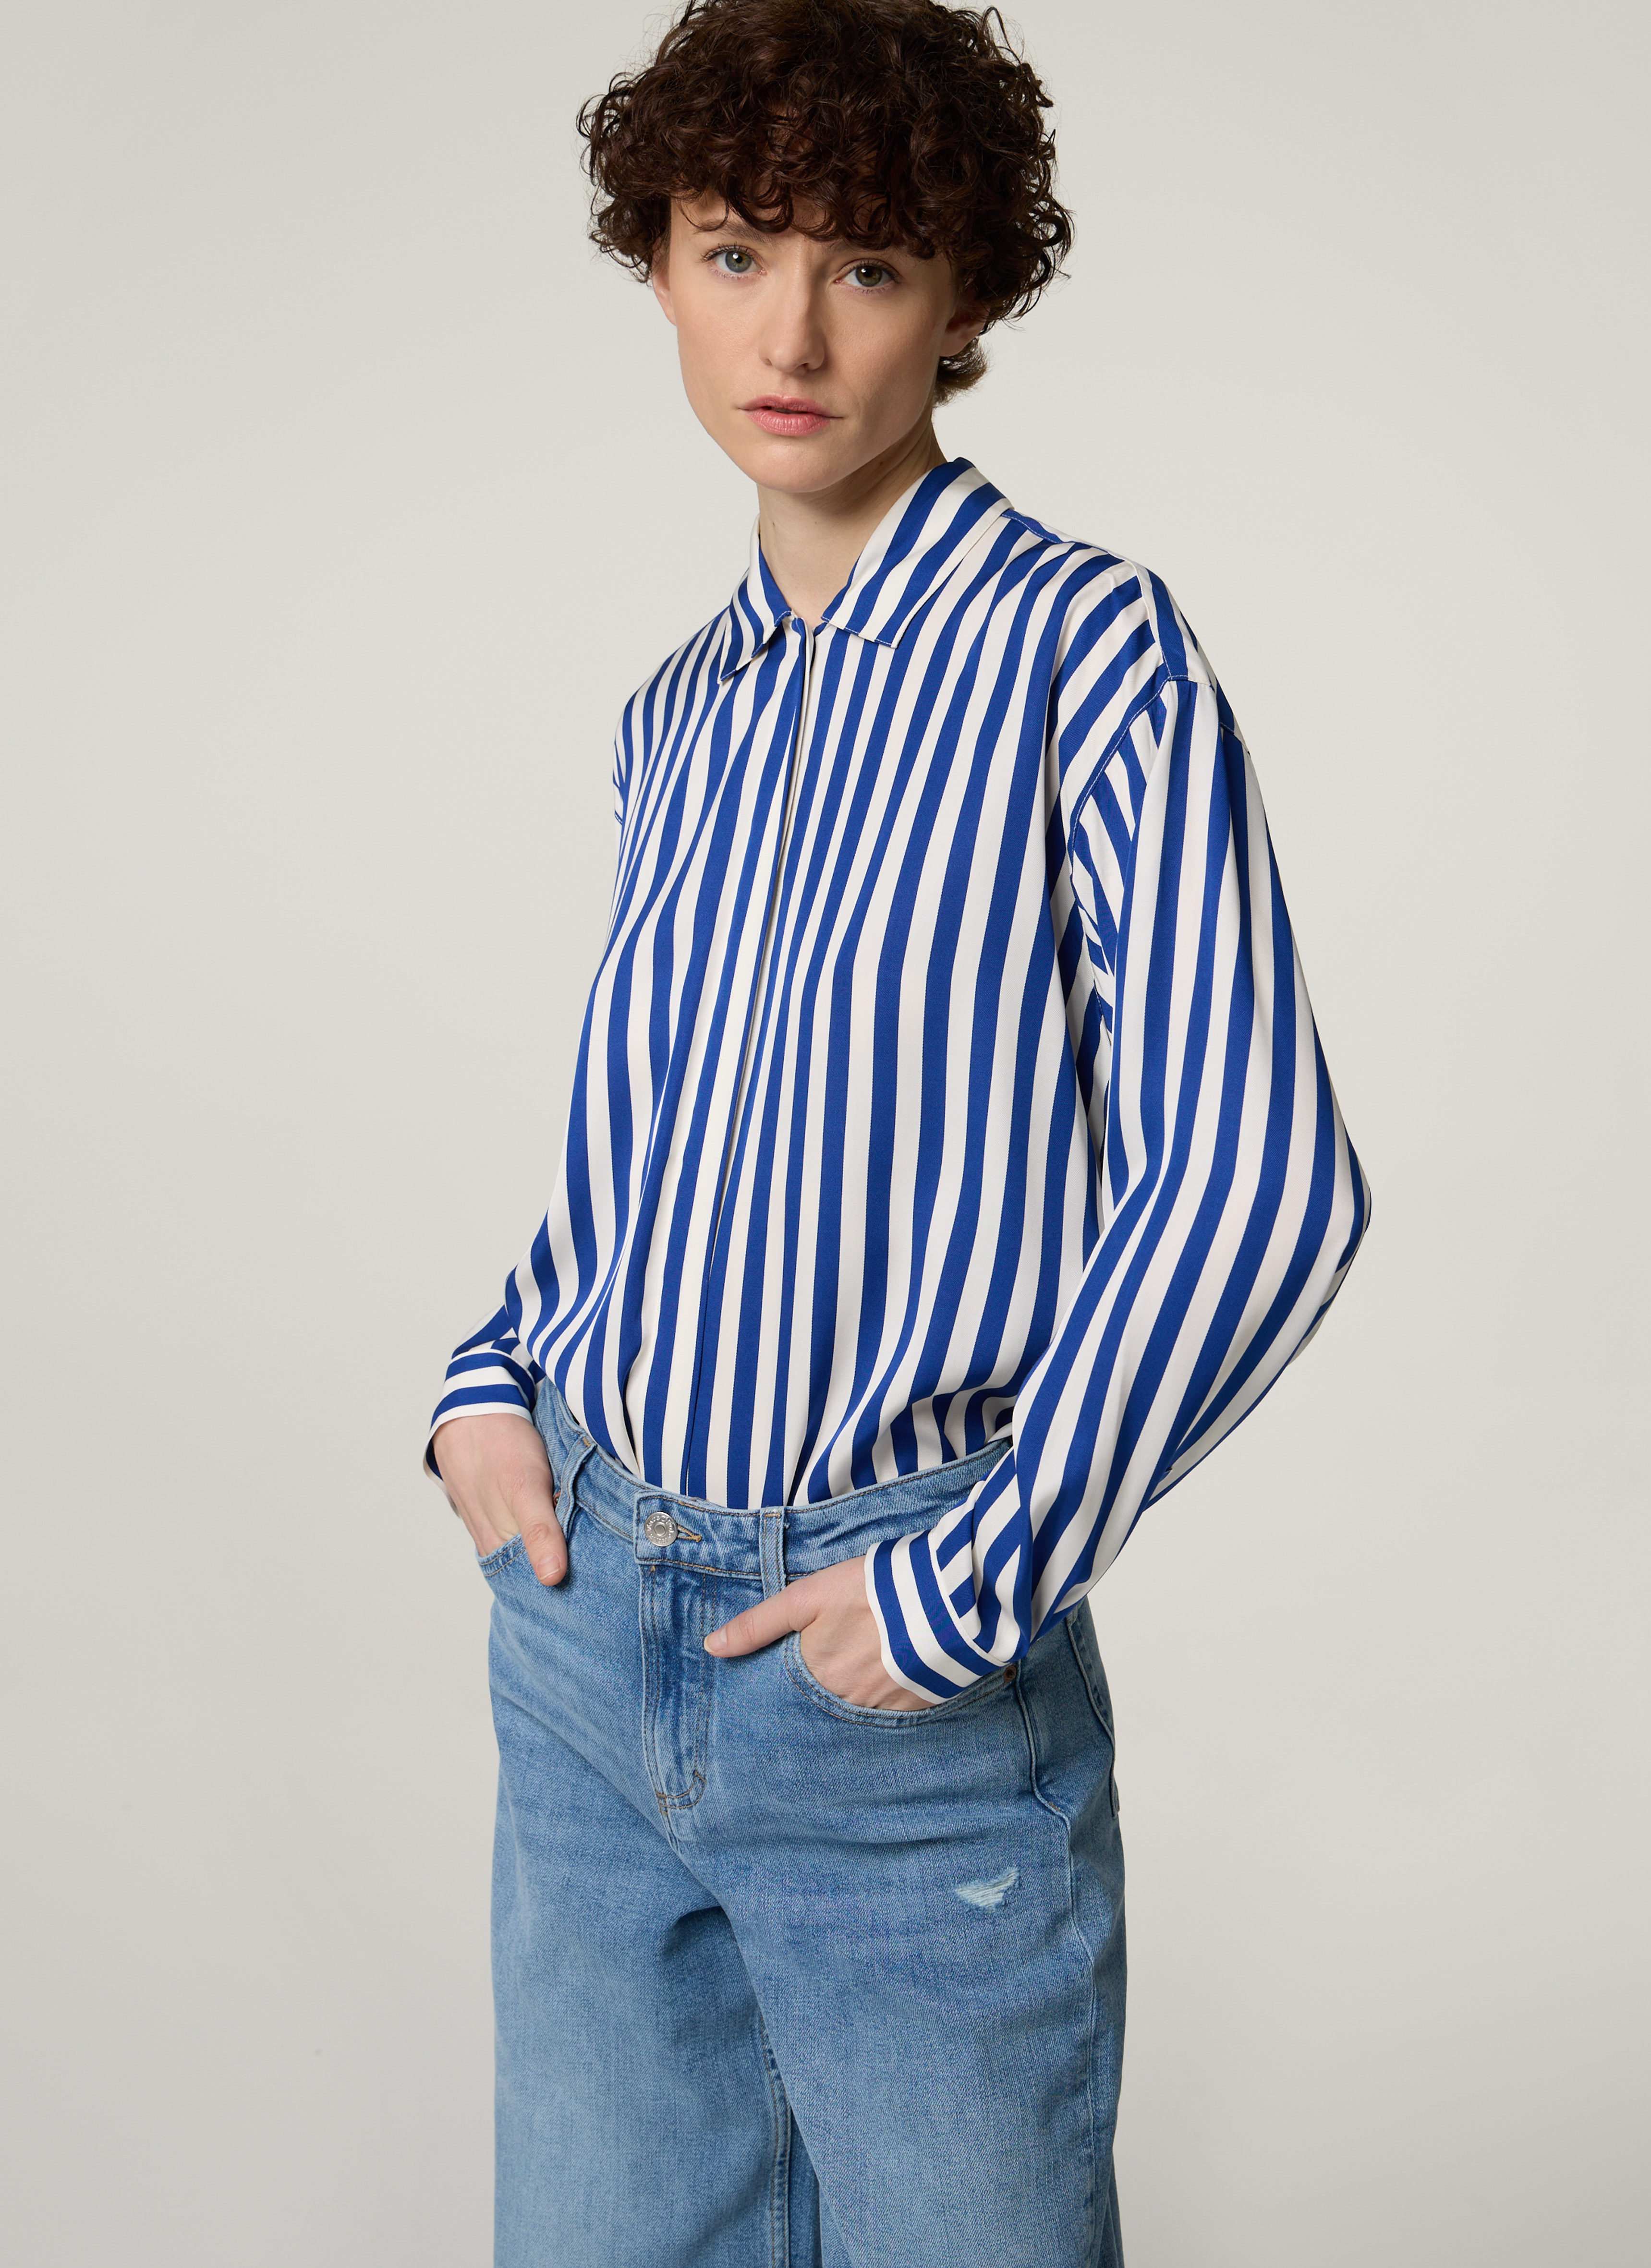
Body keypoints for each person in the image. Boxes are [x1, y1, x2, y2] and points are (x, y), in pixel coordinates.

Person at [427, 2, 1371, 2260]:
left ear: (962, 298)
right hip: (586, 1645)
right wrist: (494, 1372)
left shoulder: (1087, 651)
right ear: (658, 264)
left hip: (901, 1685)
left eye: (865, 263)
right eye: (735, 250)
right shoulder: (680, 708)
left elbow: (1260, 1179)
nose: (791, 332)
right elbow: (657, 1141)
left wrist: (977, 1568)